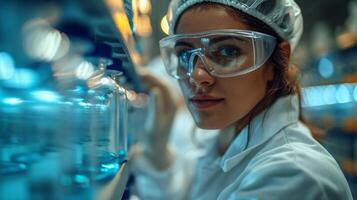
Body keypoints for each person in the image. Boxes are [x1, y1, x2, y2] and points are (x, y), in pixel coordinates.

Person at [131, 0, 353, 199]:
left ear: (279, 59)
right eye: (184, 54)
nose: (197, 75)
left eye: (227, 52)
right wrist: (157, 145)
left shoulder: (294, 174)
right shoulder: (219, 144)